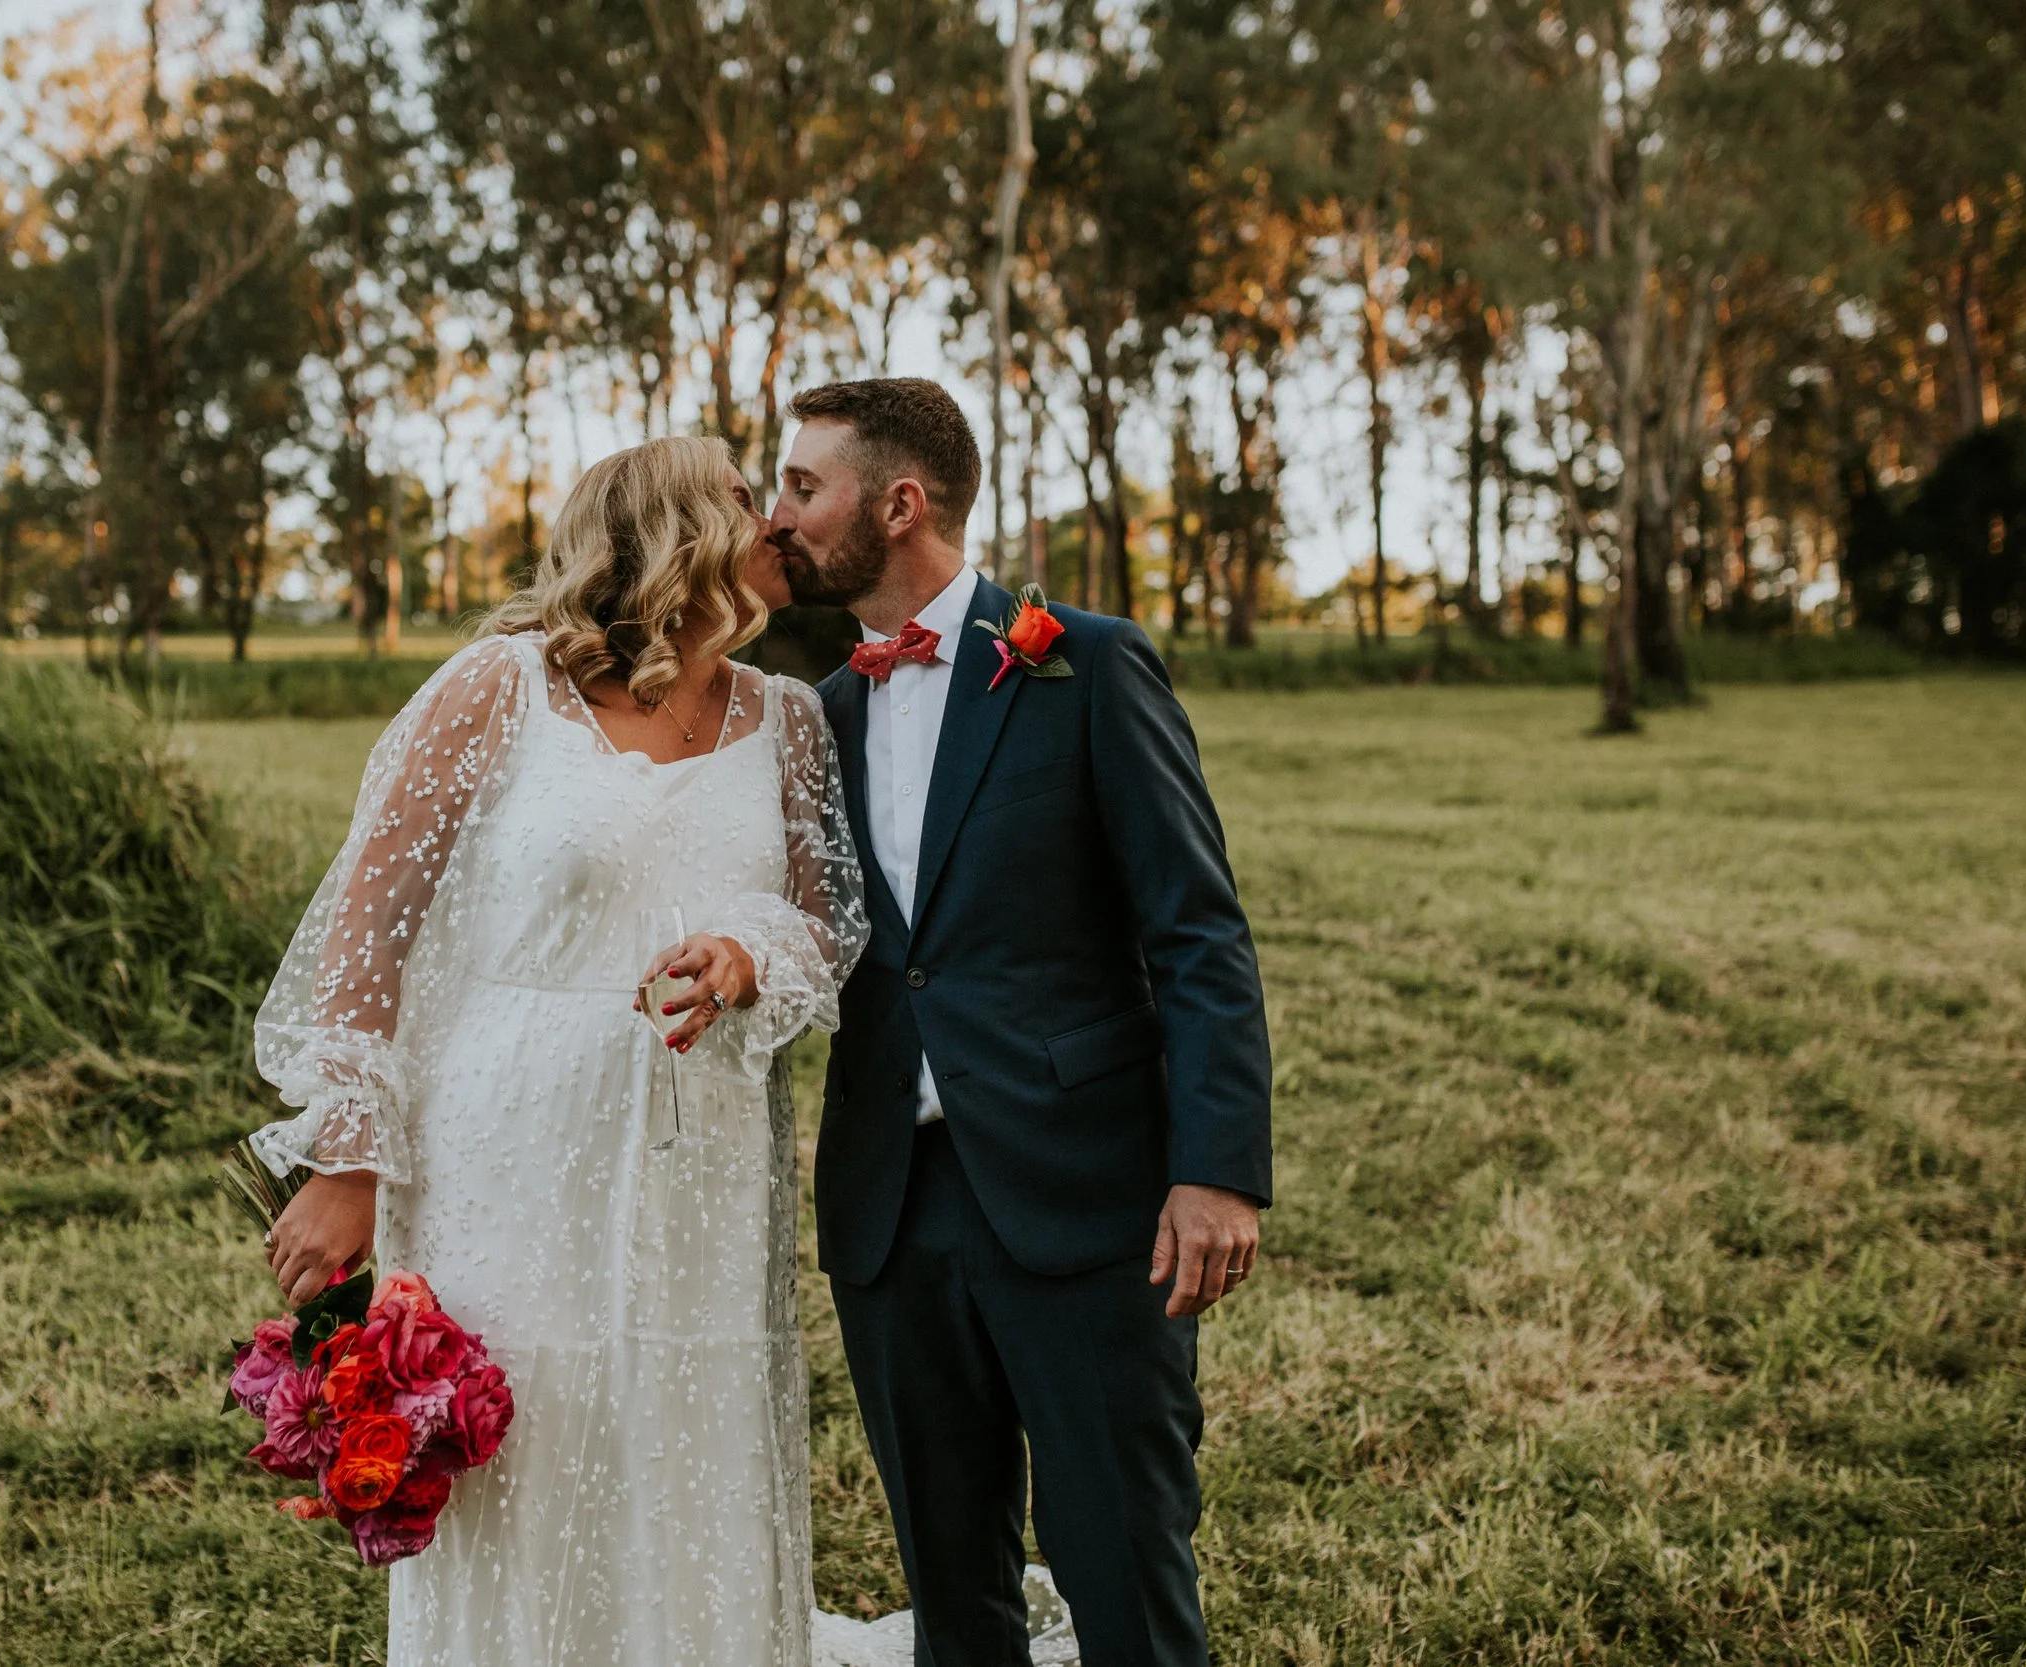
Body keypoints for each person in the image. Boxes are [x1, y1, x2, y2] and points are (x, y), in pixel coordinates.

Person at [249, 436, 869, 1665]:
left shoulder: (790, 716)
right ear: (676, 526)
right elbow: (370, 925)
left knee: (682, 1421)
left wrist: (746, 953)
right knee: (532, 1434)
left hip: (704, 1155)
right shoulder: (497, 687)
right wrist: (349, 1157)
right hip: (504, 1144)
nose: (778, 521)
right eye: (751, 499)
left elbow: (827, 922)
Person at [776, 378, 1274, 1667]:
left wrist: (1216, 1169)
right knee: (955, 1595)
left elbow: (1197, 930)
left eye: (801, 486)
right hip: (892, 1205)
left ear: (900, 503)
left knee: (1124, 1571)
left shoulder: (1084, 662)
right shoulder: (821, 713)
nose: (777, 516)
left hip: (1086, 1189)